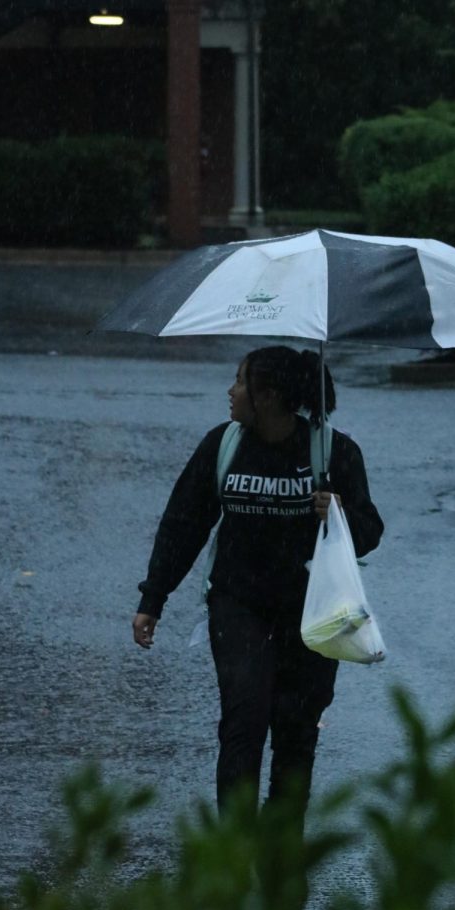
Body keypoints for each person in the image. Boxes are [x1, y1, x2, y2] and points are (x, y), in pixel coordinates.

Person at [132, 345, 383, 828]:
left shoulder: (334, 452)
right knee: (243, 724)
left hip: (313, 614)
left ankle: (281, 847)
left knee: (296, 732)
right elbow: (183, 523)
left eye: (241, 382)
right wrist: (153, 598)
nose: (231, 392)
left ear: (268, 396)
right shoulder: (222, 446)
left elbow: (370, 531)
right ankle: (234, 846)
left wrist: (338, 514)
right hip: (238, 606)